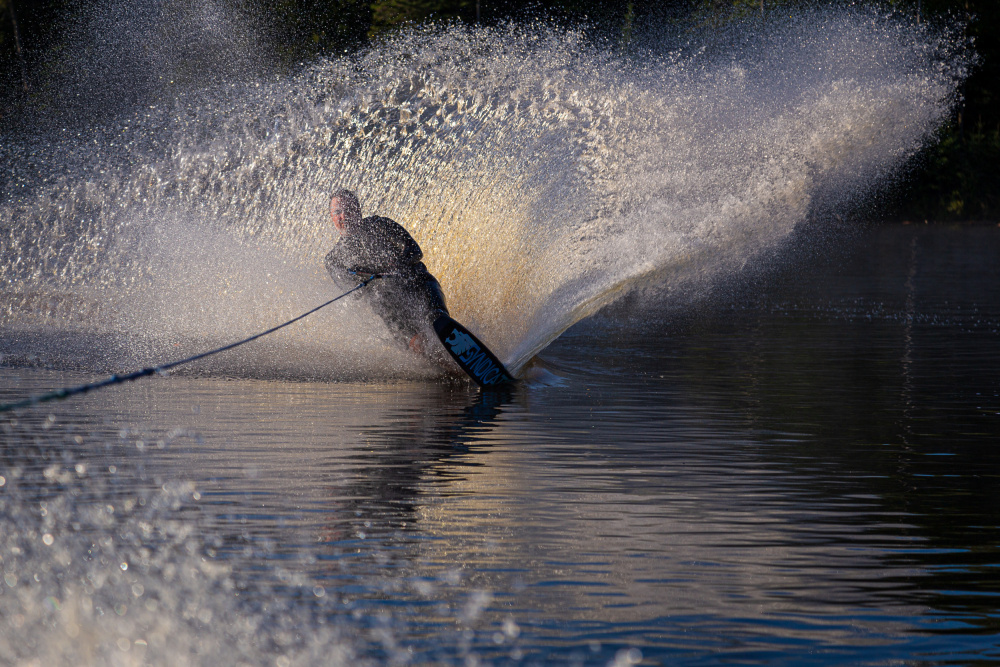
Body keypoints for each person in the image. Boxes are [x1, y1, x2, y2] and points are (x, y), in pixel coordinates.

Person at [324, 189, 450, 356]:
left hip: (417, 284)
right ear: (332, 217)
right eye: (338, 212)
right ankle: (432, 355)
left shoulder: (380, 225)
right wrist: (365, 276)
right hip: (389, 304)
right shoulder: (334, 259)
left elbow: (415, 251)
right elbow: (351, 293)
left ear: (359, 211)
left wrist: (398, 264)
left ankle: (451, 337)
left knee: (435, 316)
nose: (344, 216)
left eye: (349, 209)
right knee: (381, 300)